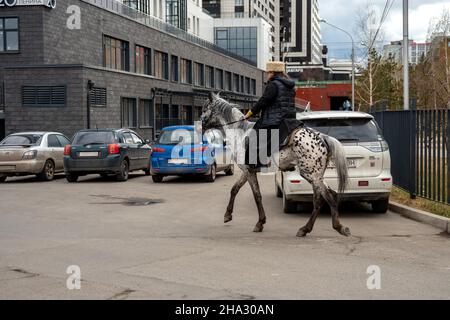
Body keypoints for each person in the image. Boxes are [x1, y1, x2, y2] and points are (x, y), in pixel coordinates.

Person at [244, 61, 296, 169]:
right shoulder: (290, 86)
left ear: (273, 73)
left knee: (254, 137)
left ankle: (258, 164)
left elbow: (263, 101)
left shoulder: (273, 85)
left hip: (275, 119)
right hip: (290, 120)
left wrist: (250, 113)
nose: (268, 75)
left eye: (269, 72)